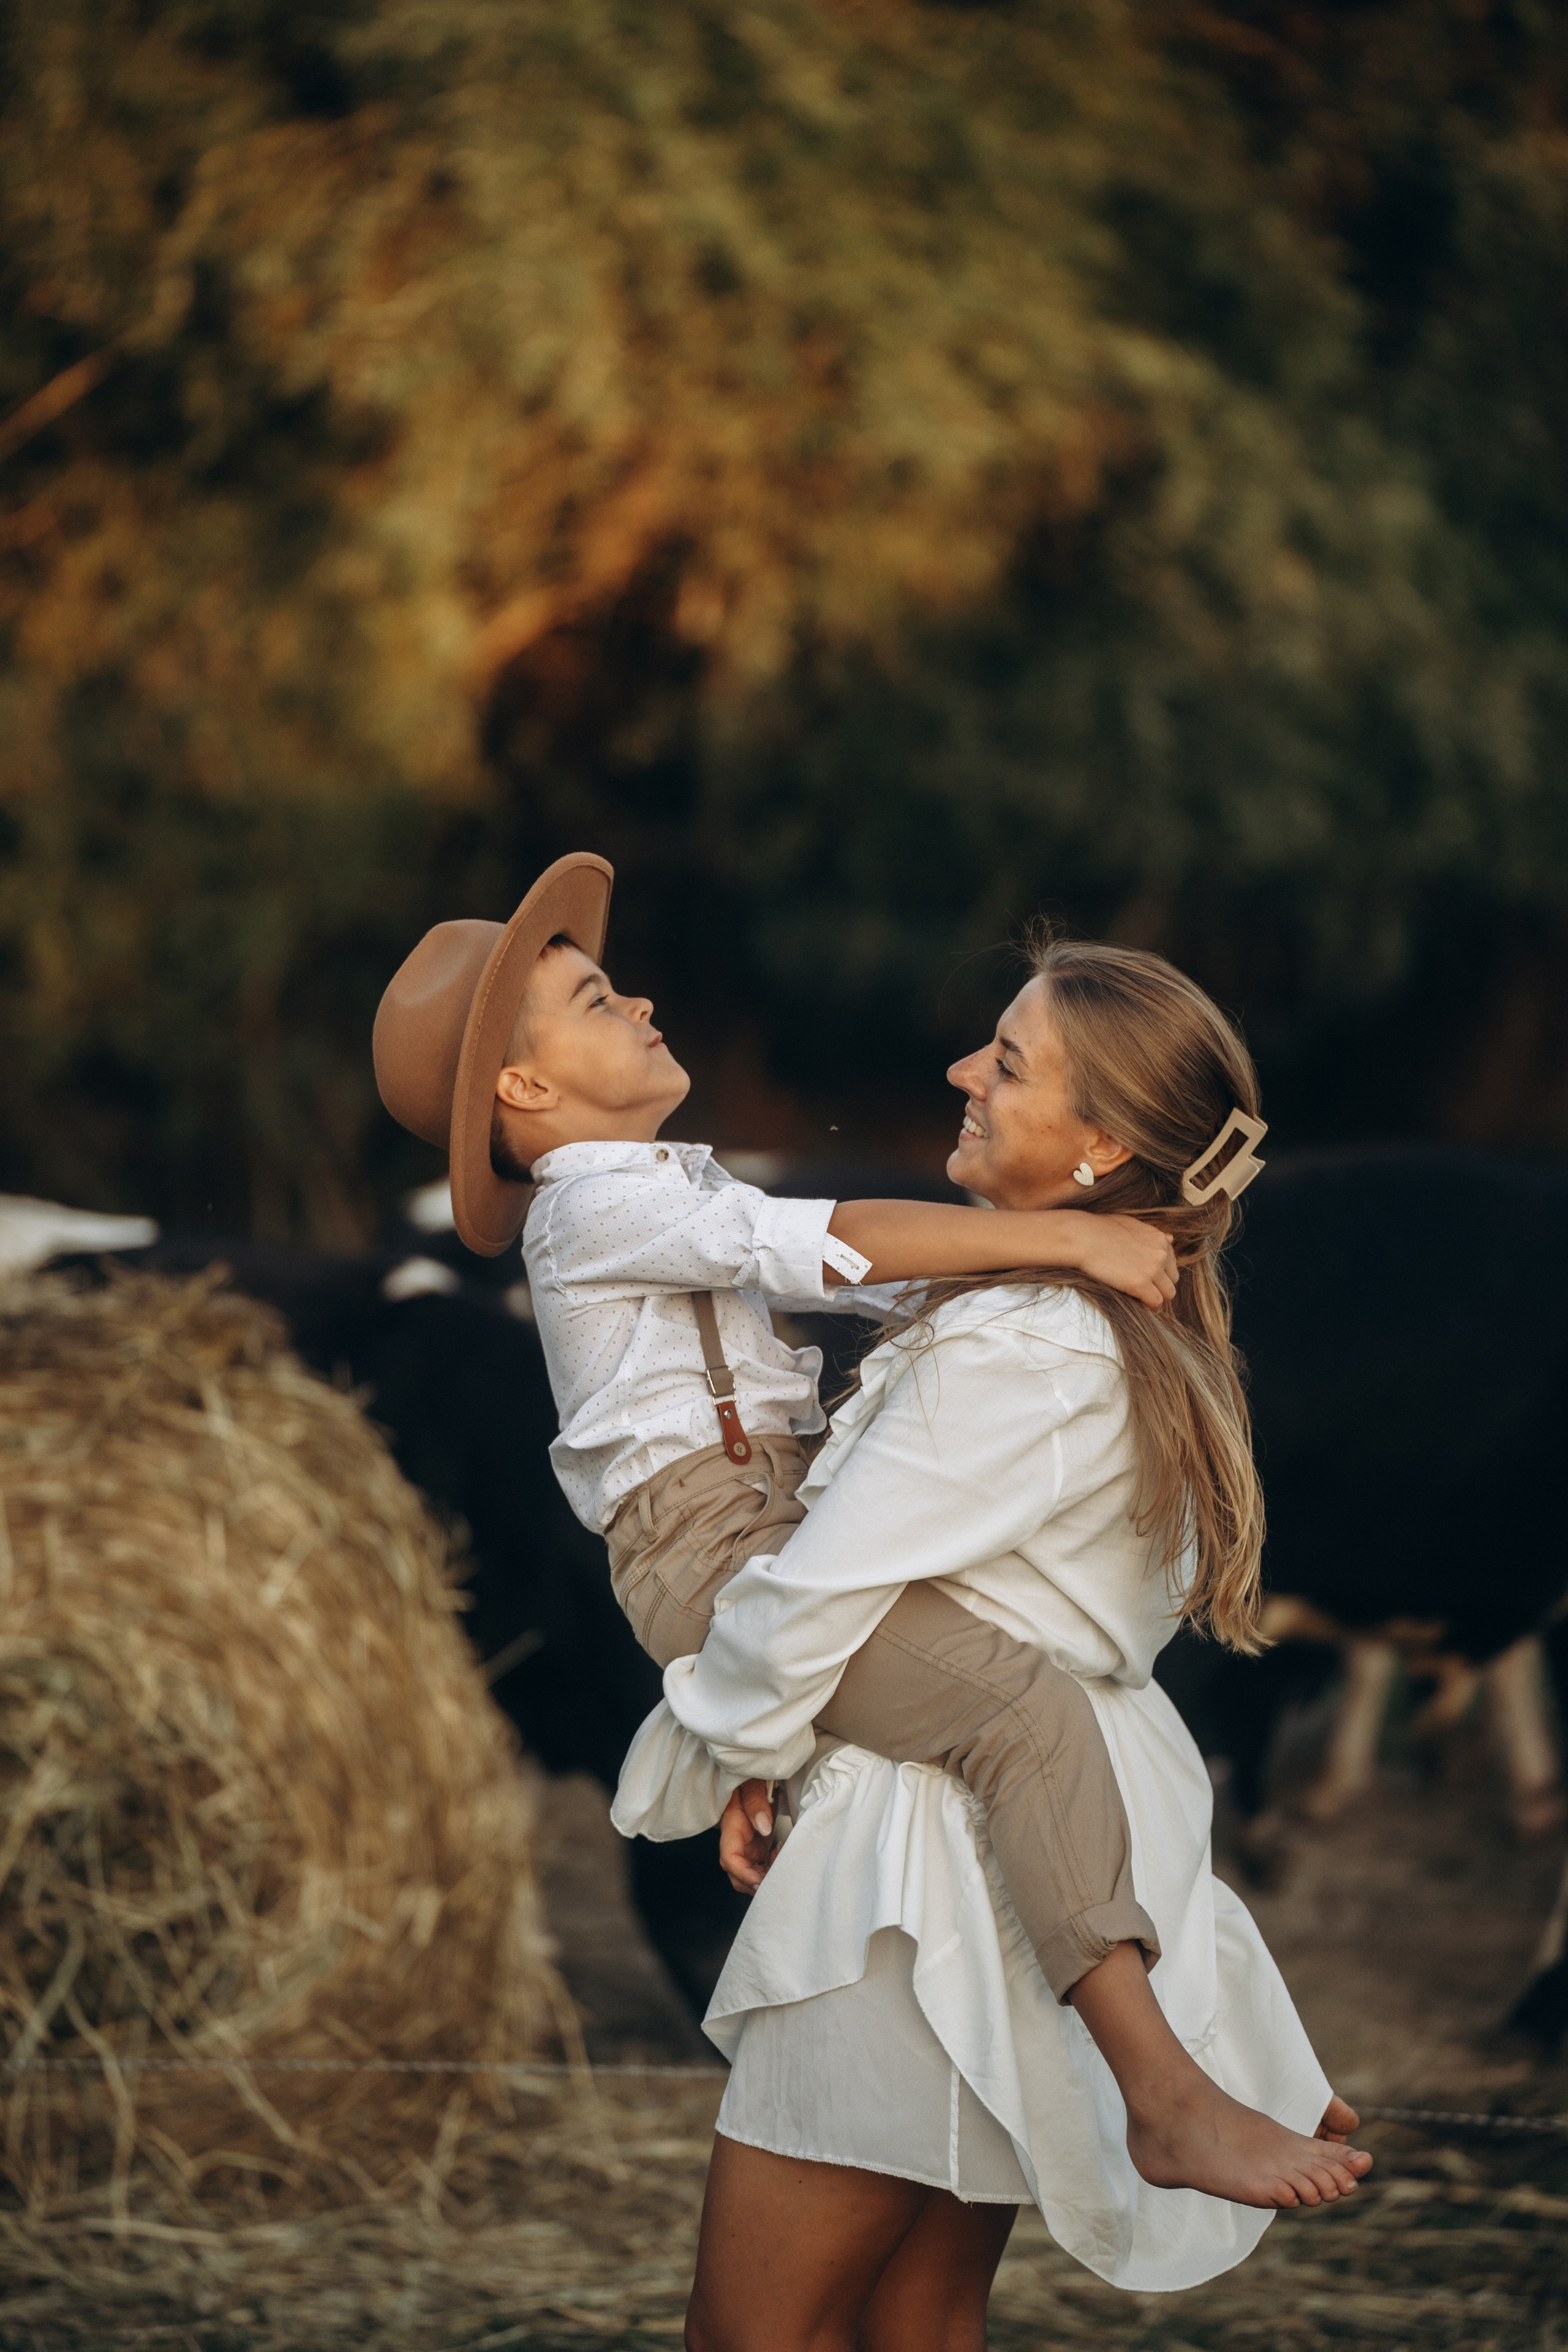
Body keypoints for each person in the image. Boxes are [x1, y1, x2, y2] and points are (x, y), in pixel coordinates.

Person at [611, 933, 1371, 2349]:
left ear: (1101, 1147)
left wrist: (715, 1747)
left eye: (1007, 1063)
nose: (962, 1069)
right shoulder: (1097, 1323)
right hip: (1016, 1845)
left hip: (918, 1885)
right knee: (917, 2319)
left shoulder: (1023, 1345)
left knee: (751, 2334)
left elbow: (817, 1592)